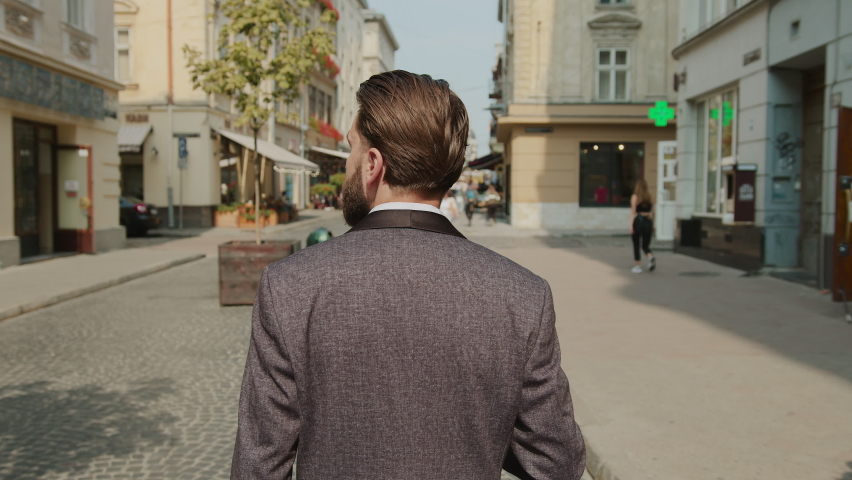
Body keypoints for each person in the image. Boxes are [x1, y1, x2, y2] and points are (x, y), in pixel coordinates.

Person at [231, 70, 585, 480]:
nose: (347, 165)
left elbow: (258, 466)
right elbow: (558, 463)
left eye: (351, 149)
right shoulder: (523, 295)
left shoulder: (290, 285)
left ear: (373, 164)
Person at [630, 178, 656, 273]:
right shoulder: (650, 197)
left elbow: (633, 212)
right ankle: (651, 257)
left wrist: (631, 225)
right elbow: (653, 213)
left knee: (636, 244)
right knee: (645, 245)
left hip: (638, 220)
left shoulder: (635, 197)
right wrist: (653, 224)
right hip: (648, 221)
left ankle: (638, 266)